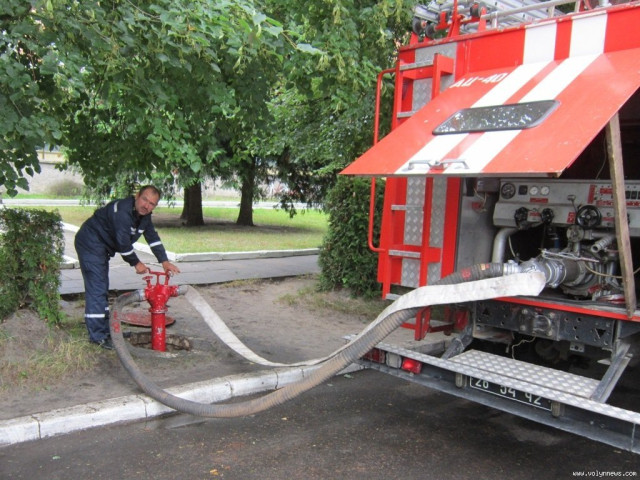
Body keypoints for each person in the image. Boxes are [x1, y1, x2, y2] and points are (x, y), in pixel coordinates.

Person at [74, 185, 180, 349]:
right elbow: (123, 244)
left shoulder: (144, 216)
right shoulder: (122, 212)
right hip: (91, 243)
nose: (146, 206)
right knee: (97, 289)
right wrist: (136, 263)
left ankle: (107, 332)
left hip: (101, 247)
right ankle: (98, 337)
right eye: (144, 200)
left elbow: (152, 238)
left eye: (151, 204)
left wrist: (164, 262)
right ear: (137, 196)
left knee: (101, 288)